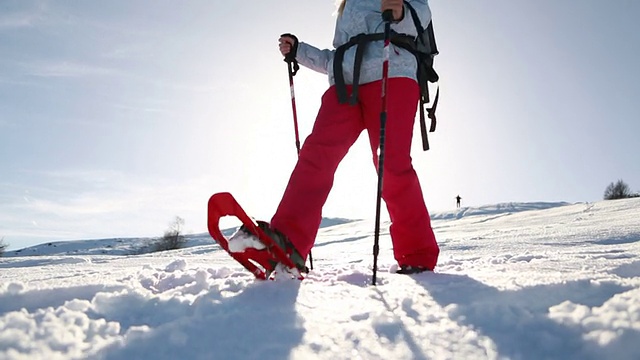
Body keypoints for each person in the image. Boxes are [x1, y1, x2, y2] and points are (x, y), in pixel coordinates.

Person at [235, 0, 440, 275]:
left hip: (392, 71)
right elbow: (337, 55)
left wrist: (401, 12)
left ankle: (417, 255)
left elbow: (421, 15)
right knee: (316, 155)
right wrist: (299, 51)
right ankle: (288, 242)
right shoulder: (347, 5)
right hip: (345, 84)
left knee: (391, 163)